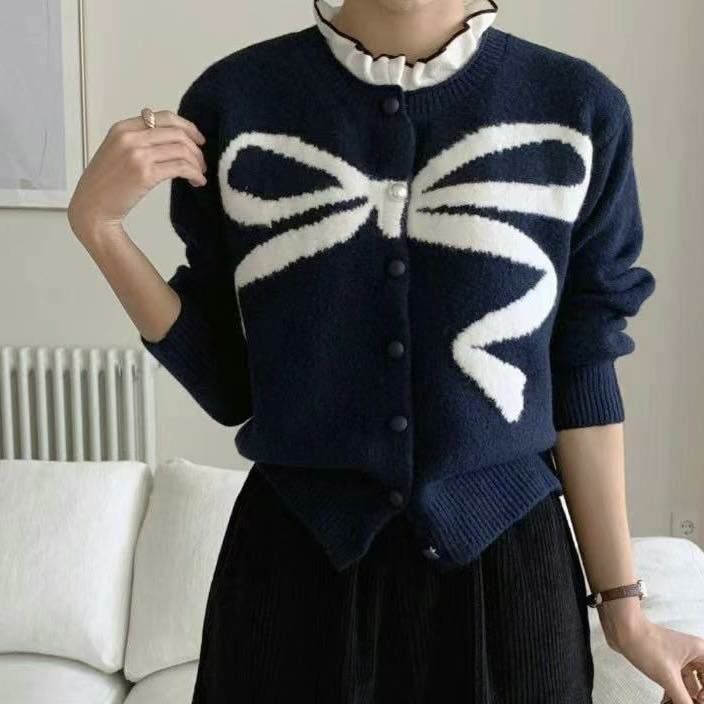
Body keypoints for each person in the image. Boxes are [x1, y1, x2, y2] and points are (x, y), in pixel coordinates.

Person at [67, 1, 704, 702]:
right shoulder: (237, 102)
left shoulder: (576, 109)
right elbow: (229, 386)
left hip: (509, 584)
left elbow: (583, 373)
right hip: (292, 575)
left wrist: (625, 612)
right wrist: (101, 230)